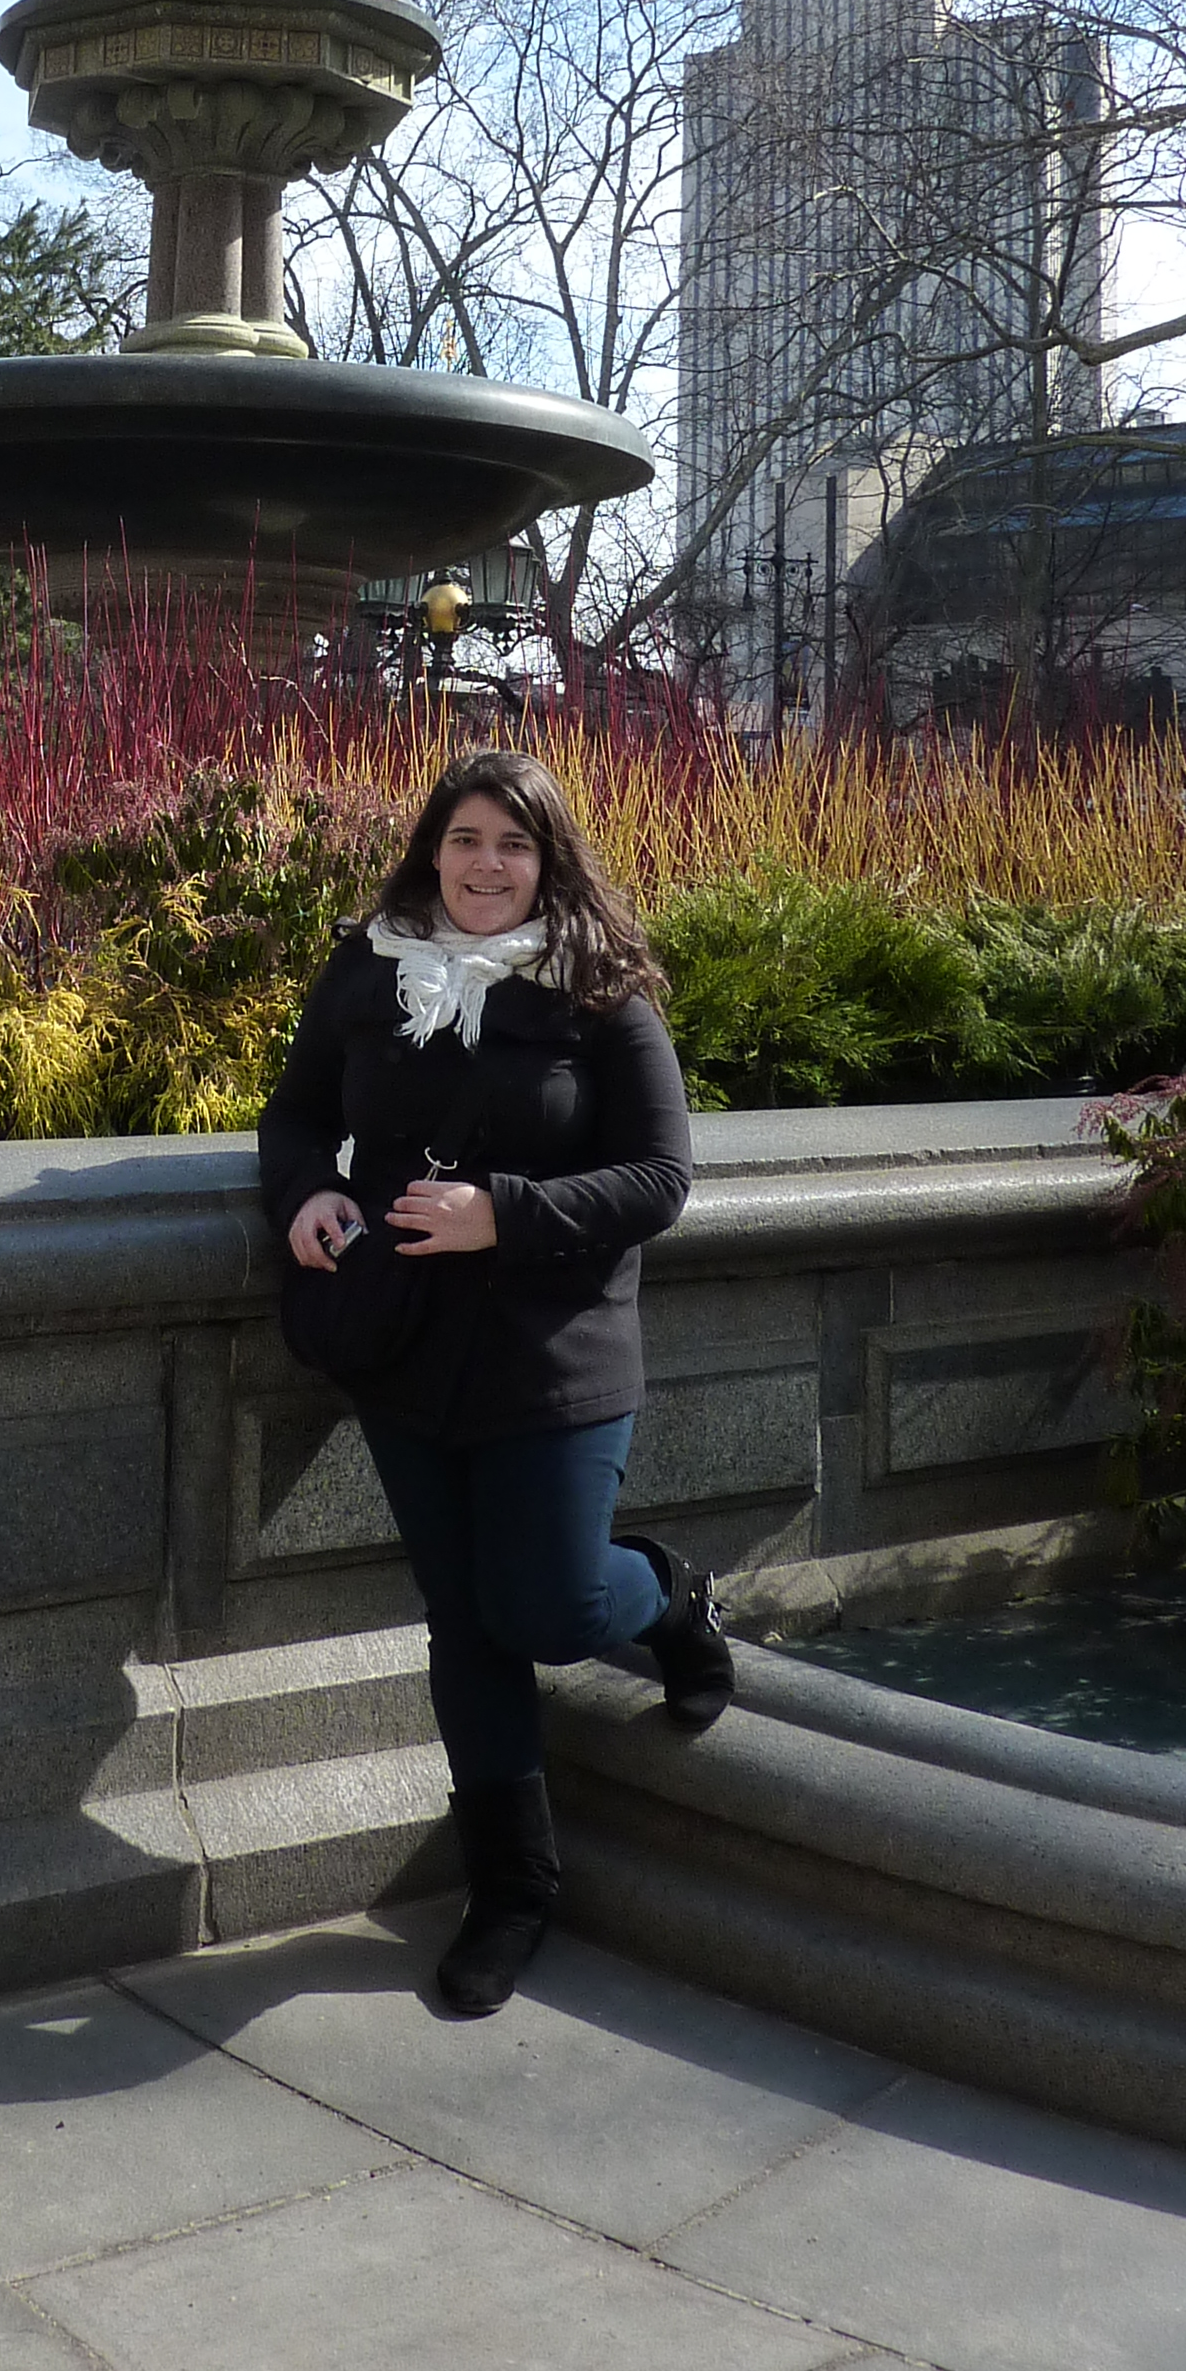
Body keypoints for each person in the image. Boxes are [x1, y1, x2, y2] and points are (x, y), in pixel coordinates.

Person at [259, 746, 730, 2016]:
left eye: (513, 845)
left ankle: (669, 1594)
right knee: (465, 1621)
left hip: (551, 1351)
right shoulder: (371, 967)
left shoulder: (602, 988)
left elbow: (660, 1179)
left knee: (555, 1607)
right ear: (432, 850)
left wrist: (502, 1214)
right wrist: (304, 1197)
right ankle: (511, 1889)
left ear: (548, 860)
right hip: (405, 1349)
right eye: (465, 839)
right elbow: (295, 1116)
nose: (485, 866)